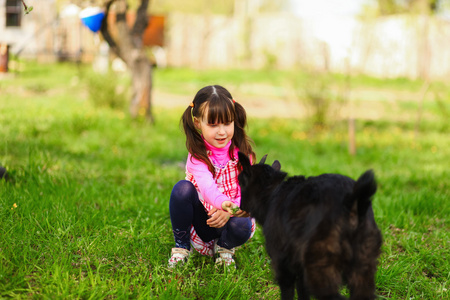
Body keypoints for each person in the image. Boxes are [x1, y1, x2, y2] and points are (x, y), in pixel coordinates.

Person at [168, 85, 256, 269]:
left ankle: (225, 248)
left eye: (227, 123)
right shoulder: (197, 156)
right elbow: (207, 187)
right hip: (204, 221)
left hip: (231, 220)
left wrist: (230, 209)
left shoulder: (243, 154)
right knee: (182, 189)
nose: (222, 131)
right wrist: (223, 203)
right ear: (198, 123)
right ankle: (182, 247)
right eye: (213, 124)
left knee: (243, 223)